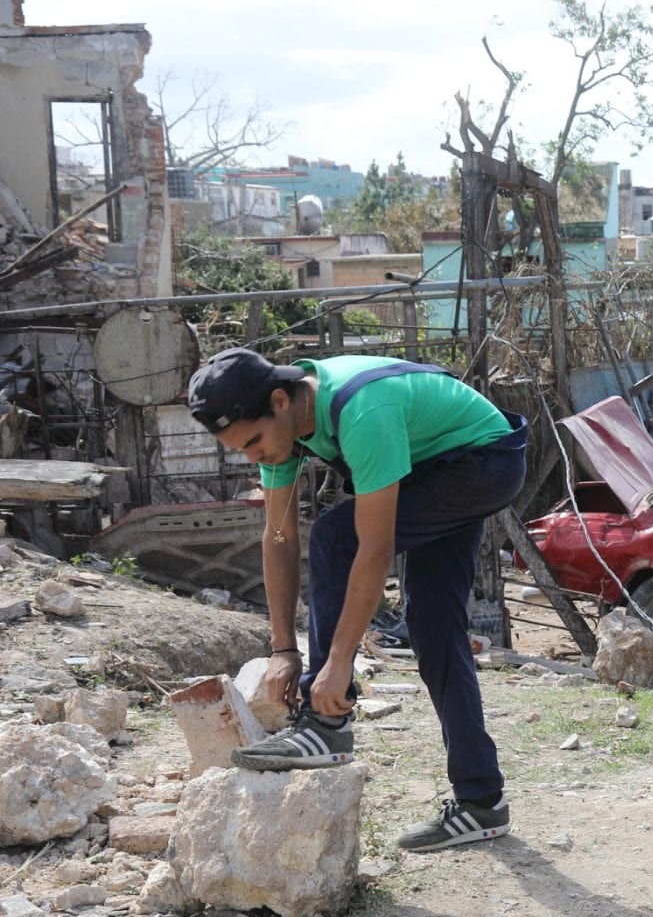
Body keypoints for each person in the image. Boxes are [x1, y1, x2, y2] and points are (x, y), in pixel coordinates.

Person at [186, 348, 527, 852]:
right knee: (434, 628)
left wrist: (337, 664)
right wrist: (283, 649)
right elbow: (278, 537)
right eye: (242, 451)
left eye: (255, 442)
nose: (254, 457)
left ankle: (327, 724)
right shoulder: (283, 431)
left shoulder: (361, 408)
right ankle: (482, 802)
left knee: (335, 536)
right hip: (431, 463)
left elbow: (373, 548)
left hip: (482, 461)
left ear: (280, 400)